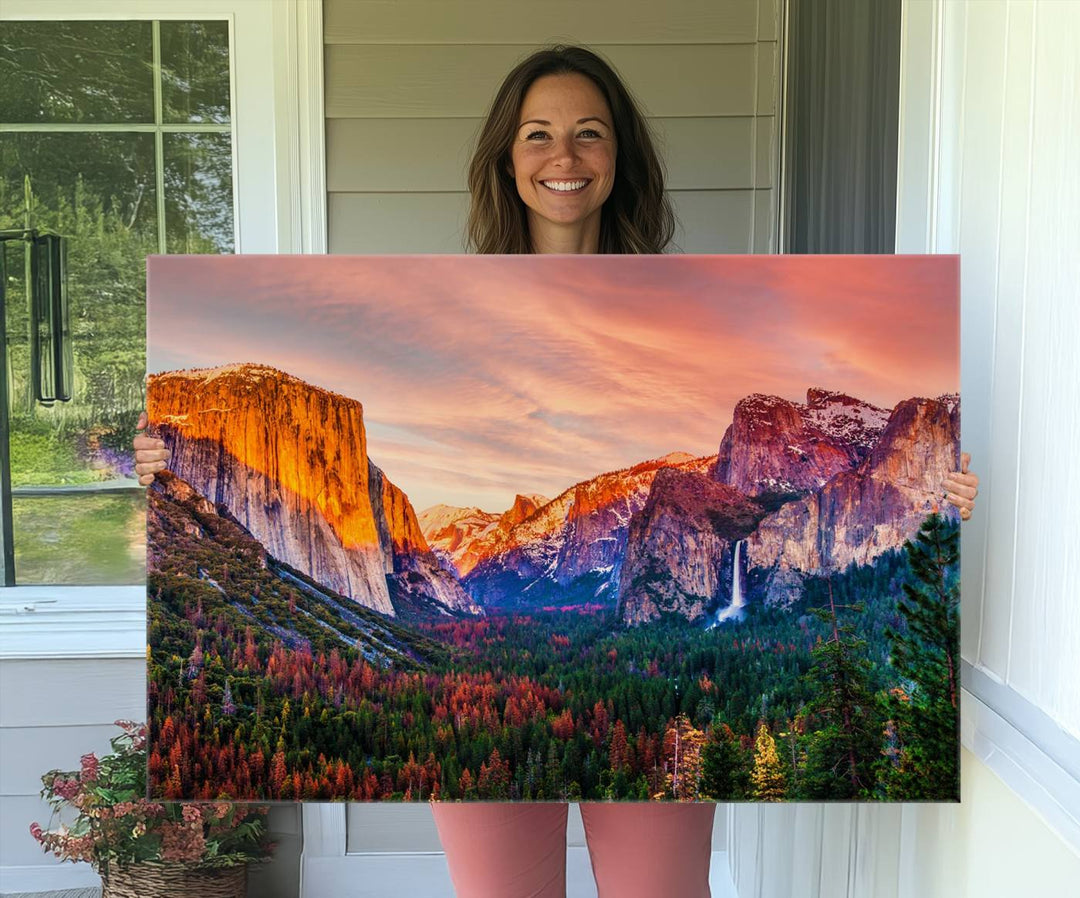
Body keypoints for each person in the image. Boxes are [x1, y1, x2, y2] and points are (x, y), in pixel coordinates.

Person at [133, 45, 980, 898]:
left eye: (589, 134)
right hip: (484, 721)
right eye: (538, 135)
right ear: (507, 157)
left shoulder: (685, 304)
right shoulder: (440, 301)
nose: (564, 157)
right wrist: (171, 471)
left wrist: (932, 498)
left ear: (620, 158)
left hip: (663, 693)